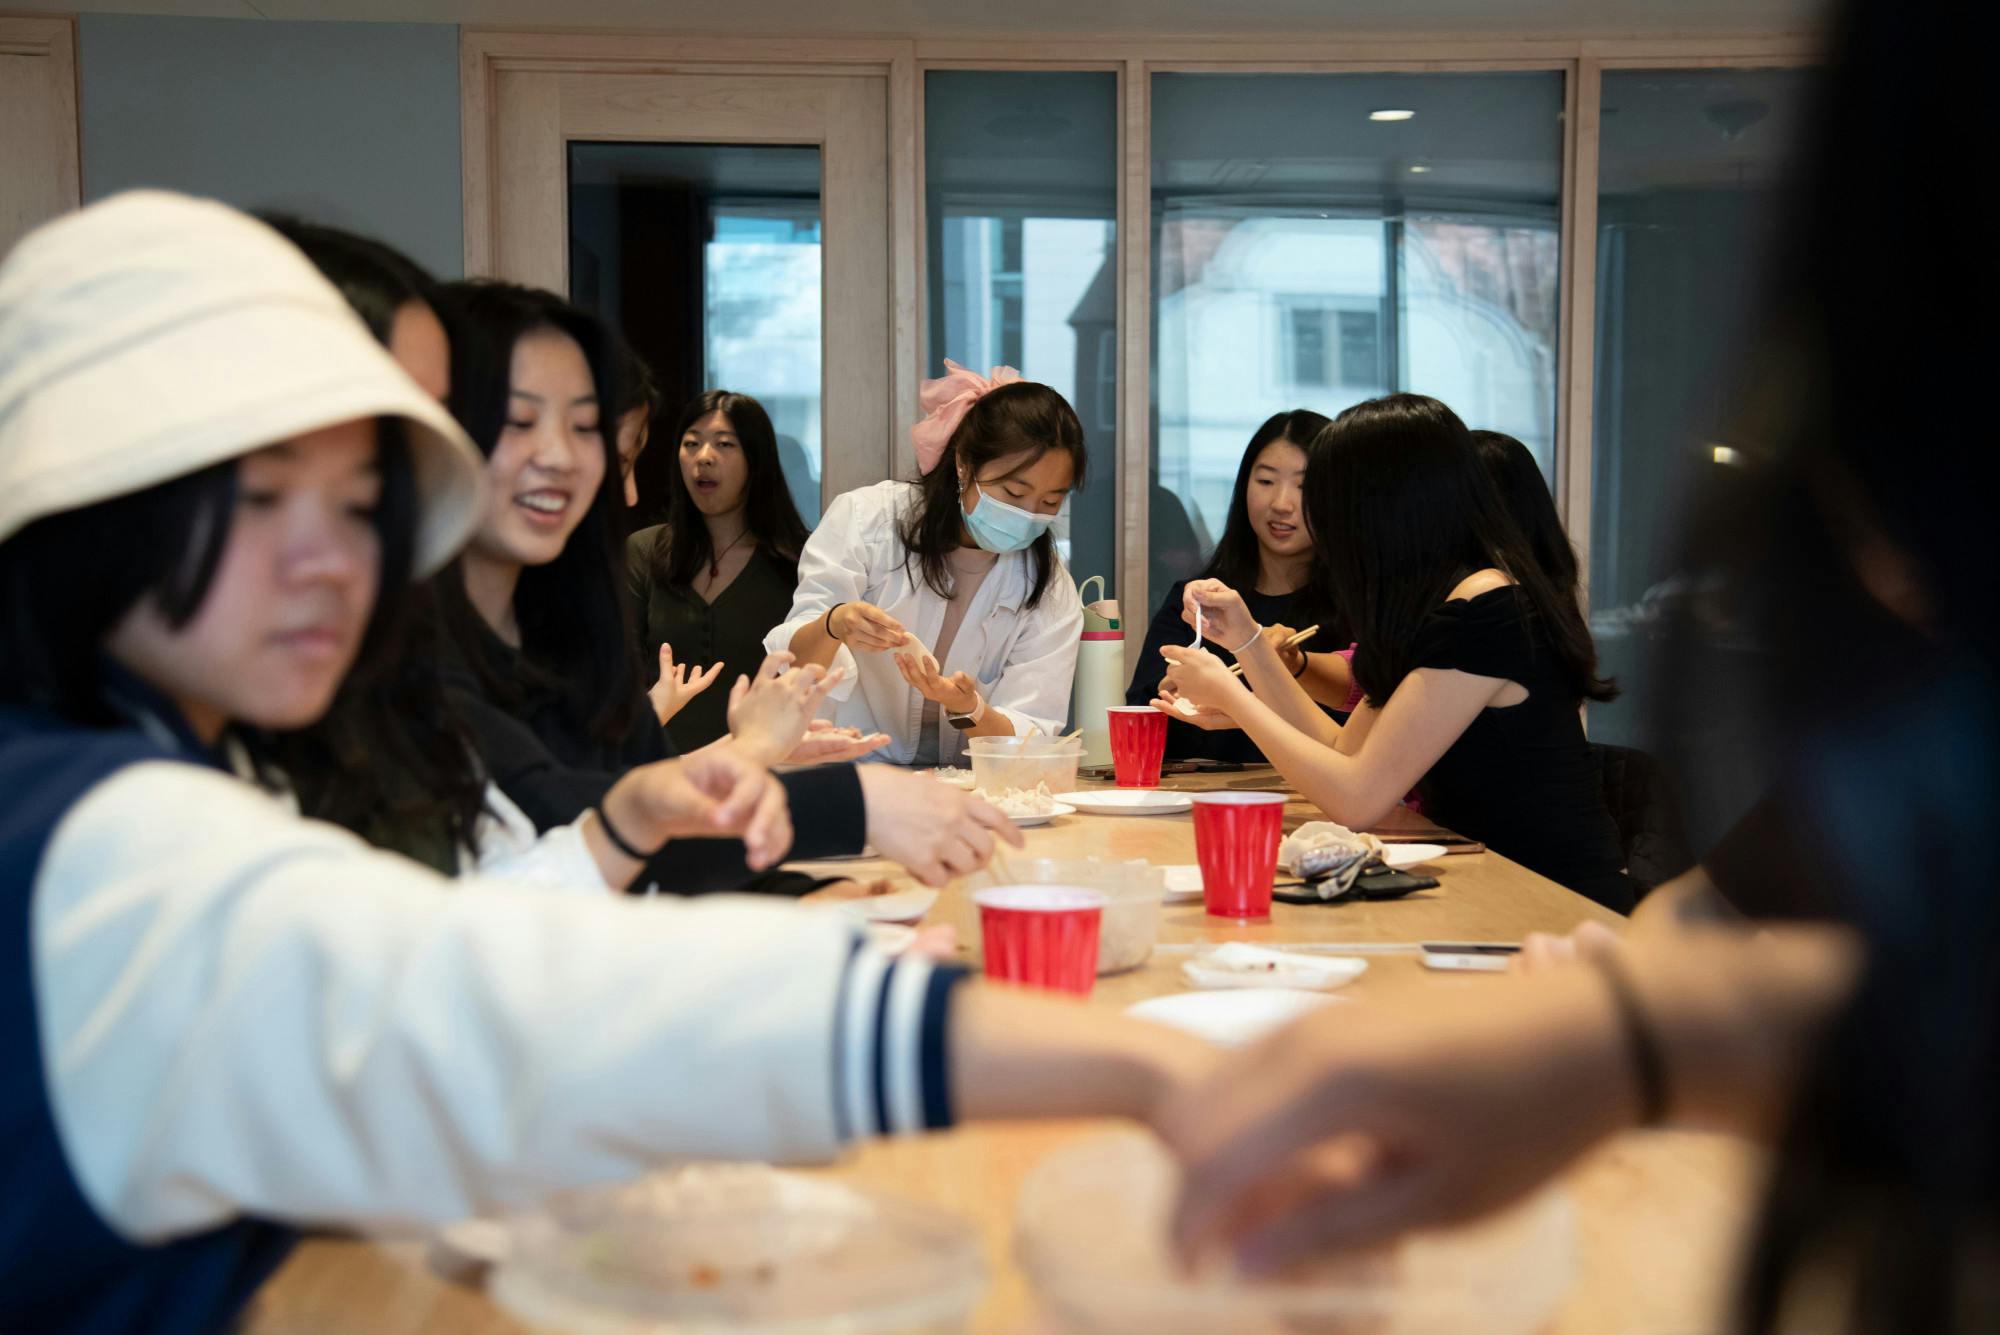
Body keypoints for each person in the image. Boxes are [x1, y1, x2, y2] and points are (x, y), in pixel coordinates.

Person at [0, 192, 1221, 1332]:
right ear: (89, 502)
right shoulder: (88, 823)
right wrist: (1146, 1068)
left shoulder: (176, 754)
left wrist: (610, 833)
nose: (336, 558)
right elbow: (511, 1008)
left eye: (367, 500)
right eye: (265, 495)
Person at [1159, 0, 2000, 1326]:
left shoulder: (1480, 608)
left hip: (1532, 902)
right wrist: (1623, 1025)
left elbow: (1364, 791)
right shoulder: (1908, 738)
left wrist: (1238, 677)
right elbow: (1725, 912)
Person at [431, 281, 974, 891]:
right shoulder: (413, 649)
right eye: (520, 420)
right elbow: (582, 823)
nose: (562, 460)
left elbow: (648, 828)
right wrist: (818, 786)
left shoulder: (570, 625)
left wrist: (811, 893)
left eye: (591, 435)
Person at [1159, 395, 1633, 911]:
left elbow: (1357, 799)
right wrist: (1247, 642)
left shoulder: (1486, 608)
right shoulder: (1440, 605)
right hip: (1485, 882)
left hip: (1549, 901)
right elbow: (1344, 754)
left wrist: (1231, 693)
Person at [770, 360, 1087, 765]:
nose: (1028, 514)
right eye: (1013, 492)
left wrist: (969, 708)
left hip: (969, 790)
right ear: (964, 464)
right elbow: (792, 667)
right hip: (846, 772)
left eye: (1050, 502)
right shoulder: (867, 520)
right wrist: (835, 624)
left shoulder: (1048, 586)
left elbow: (1031, 737)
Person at [628, 390, 859, 753]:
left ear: (756, 459)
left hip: (768, 764)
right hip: (658, 766)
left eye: (724, 444)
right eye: (691, 444)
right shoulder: (644, 551)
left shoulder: (801, 559)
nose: (703, 457)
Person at [1126, 409, 1352, 762]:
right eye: (1265, 481)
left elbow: (1357, 733)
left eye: (1304, 486)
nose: (1281, 504)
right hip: (1197, 804)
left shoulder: (1354, 608)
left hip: (1313, 806)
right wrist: (1168, 690)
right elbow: (1140, 714)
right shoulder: (1199, 600)